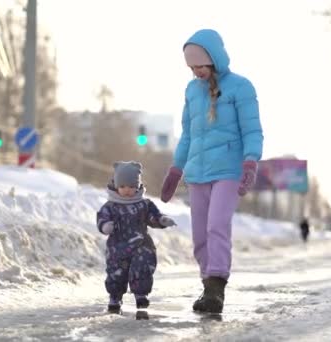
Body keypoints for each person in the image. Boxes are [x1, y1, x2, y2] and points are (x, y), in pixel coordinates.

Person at [160, 29, 264, 314]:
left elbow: (252, 130)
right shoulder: (192, 91)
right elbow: (187, 135)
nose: (196, 72)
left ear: (215, 60)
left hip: (228, 170)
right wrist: (175, 170)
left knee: (217, 225)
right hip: (197, 172)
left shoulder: (241, 87)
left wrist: (250, 161)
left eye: (200, 66)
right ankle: (208, 286)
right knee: (199, 236)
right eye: (192, 67)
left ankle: (217, 288)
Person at [97, 161, 176, 313]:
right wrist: (105, 226)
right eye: (123, 186)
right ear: (116, 185)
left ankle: (141, 295)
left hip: (141, 245)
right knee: (116, 272)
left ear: (138, 186)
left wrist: (161, 220)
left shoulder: (144, 204)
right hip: (117, 246)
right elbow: (102, 218)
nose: (127, 190)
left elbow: (153, 216)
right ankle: (115, 297)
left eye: (132, 186)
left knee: (142, 268)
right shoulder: (111, 206)